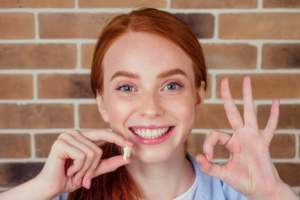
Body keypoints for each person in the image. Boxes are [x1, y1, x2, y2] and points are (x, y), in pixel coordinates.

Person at [0, 7, 299, 200]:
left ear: (197, 95)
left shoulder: (246, 194)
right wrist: (42, 188)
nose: (151, 108)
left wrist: (275, 194)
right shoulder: (65, 193)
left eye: (171, 85)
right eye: (127, 87)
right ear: (102, 101)